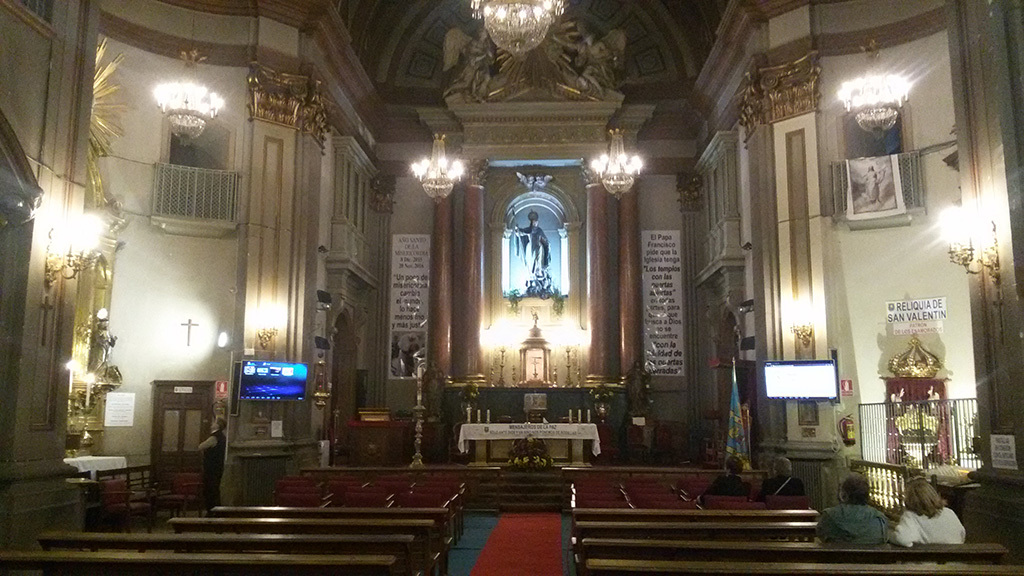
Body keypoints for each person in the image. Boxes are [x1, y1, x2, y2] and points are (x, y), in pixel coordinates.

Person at [891, 478, 966, 546]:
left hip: (928, 560)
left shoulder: (911, 516)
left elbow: (903, 539)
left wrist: (891, 536)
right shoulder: (949, 512)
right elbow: (962, 534)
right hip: (955, 558)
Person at [817, 472, 889, 544]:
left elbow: (821, 534)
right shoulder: (880, 519)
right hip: (873, 555)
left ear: (843, 494)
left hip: (839, 555)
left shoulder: (829, 515)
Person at [513, 210, 552, 296]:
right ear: (531, 222)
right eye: (533, 222)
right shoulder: (529, 230)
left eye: (536, 222)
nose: (535, 223)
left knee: (538, 263)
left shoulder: (539, 231)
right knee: (531, 264)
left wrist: (546, 245)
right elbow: (521, 232)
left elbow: (546, 241)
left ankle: (538, 274)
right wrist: (517, 230)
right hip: (530, 249)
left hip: (538, 249)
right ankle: (531, 277)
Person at [198, 417, 227, 512]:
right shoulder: (223, 437)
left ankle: (211, 510)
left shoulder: (214, 437)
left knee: (209, 490)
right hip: (218, 466)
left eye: (214, 422)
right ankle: (217, 510)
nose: (212, 424)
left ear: (218, 425)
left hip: (211, 468)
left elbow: (201, 446)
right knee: (215, 489)